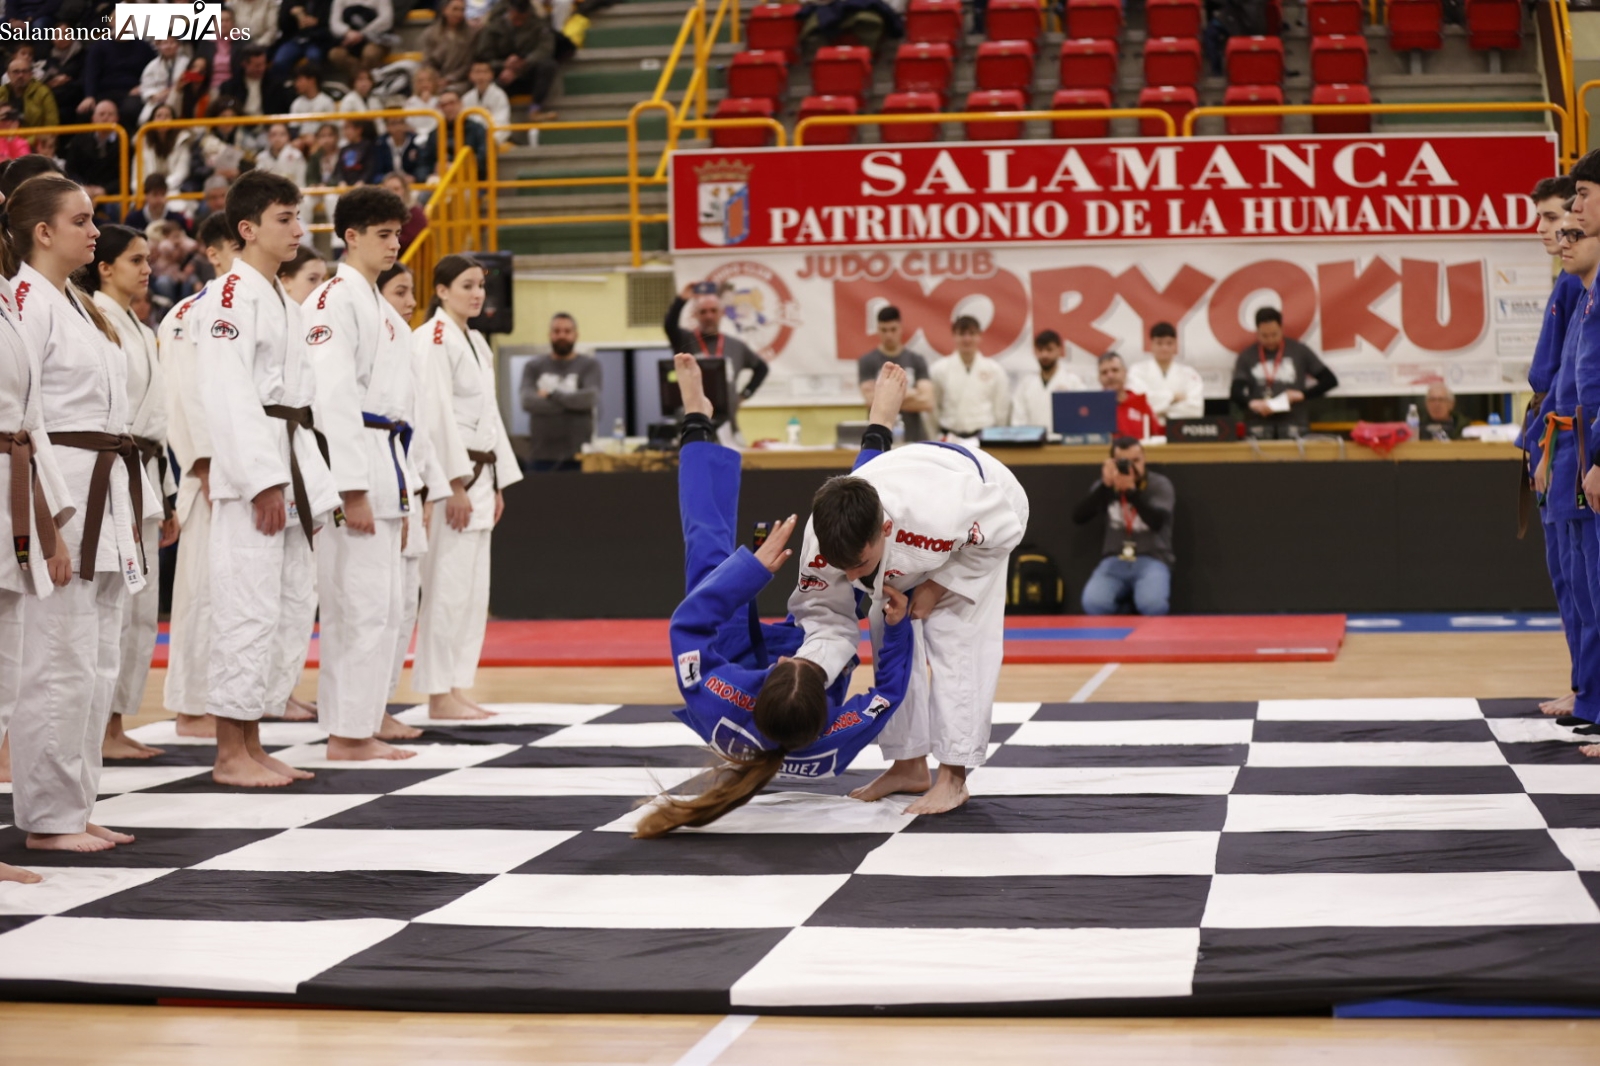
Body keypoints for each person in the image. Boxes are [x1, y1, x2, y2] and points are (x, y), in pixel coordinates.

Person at [635, 357, 916, 837]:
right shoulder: (832, 735)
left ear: (759, 686)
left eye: (782, 665)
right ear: (824, 695)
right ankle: (879, 431)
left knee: (706, 559)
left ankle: (698, 421)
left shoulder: (722, 701)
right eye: (800, 663)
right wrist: (897, 621)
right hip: (823, 629)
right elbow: (887, 693)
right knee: (846, 548)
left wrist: (749, 571)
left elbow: (687, 625)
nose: (787, 655)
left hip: (739, 660)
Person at [8, 173, 161, 851]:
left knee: (96, 662)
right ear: (43, 232)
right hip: (59, 493)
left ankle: (74, 803)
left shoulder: (76, 302)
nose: (95, 231)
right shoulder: (24, 302)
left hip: (106, 484)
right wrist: (45, 522)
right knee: (56, 661)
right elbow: (23, 420)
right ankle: (47, 819)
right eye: (82, 221)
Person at [788, 398, 1031, 816]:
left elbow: (1005, 528)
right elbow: (823, 613)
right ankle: (908, 764)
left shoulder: (941, 511)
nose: (850, 577)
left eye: (858, 565)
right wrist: (806, 672)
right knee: (887, 629)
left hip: (988, 507)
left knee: (955, 635)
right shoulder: (822, 539)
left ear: (885, 530)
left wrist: (937, 586)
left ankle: (954, 778)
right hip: (914, 512)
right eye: (840, 566)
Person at [192, 169, 340, 786]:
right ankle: (229, 752)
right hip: (253, 474)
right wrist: (261, 480)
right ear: (247, 228)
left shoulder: (279, 297)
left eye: (299, 217)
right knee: (244, 608)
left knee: (282, 609)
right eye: (285, 219)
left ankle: (252, 742)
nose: (298, 230)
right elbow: (227, 396)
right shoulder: (228, 296)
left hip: (289, 457)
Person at [302, 185, 444, 760]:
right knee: (355, 606)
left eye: (397, 233)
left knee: (384, 606)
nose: (395, 243)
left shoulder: (378, 307)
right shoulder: (333, 299)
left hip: (387, 460)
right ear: (351, 236)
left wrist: (407, 494)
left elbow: (400, 411)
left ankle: (361, 725)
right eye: (383, 234)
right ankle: (346, 734)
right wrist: (351, 490)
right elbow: (331, 397)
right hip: (355, 464)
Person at [0, 161, 74, 882]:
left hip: (14, 483)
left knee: (5, 668)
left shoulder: (7, 298)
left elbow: (32, 419)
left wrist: (54, 521)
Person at [80, 225, 179, 761]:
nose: (147, 269)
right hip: (114, 470)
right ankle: (99, 726)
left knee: (140, 611)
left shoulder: (139, 326)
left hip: (144, 471)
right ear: (105, 268)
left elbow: (157, 423)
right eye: (135, 260)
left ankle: (115, 722)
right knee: (114, 606)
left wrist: (164, 493)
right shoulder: (94, 317)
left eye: (148, 260)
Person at [412, 254, 522, 719]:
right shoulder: (433, 339)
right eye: (466, 285)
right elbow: (433, 417)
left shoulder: (476, 341)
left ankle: (456, 686)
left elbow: (490, 420)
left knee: (473, 592)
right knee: (445, 588)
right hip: (451, 479)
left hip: (480, 477)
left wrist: (497, 483)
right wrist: (450, 486)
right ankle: (438, 695)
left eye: (480, 285)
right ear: (440, 291)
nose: (477, 294)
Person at [160, 212, 238, 739]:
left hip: (253, 468)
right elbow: (183, 397)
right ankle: (191, 705)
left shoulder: (257, 305)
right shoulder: (188, 312)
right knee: (200, 591)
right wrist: (205, 461)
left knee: (238, 593)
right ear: (212, 252)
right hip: (209, 471)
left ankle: (229, 698)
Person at [1535, 204, 1600, 730]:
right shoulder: (1576, 285)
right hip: (1568, 436)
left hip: (1585, 439)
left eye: (1566, 219)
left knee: (1589, 579)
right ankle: (1588, 689)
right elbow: (1558, 378)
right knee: (1576, 579)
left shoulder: (1585, 287)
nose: (1557, 232)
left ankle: (1592, 694)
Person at [377, 262, 429, 706]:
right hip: (382, 477)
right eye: (400, 292)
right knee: (382, 605)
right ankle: (369, 710)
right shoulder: (382, 343)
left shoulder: (405, 346)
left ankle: (383, 703)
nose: (411, 302)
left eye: (413, 292)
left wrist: (427, 488)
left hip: (408, 478)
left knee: (404, 604)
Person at [1074, 437, 1175, 616]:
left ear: (1144, 459)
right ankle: (1123, 616)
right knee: (1094, 604)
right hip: (1114, 560)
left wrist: (1131, 492)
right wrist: (1105, 487)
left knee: (1153, 606)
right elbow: (1079, 517)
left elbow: (1157, 522)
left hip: (1151, 558)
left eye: (1136, 461)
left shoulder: (1159, 485)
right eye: (1124, 462)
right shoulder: (1106, 487)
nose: (1132, 468)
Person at [663, 280, 767, 440]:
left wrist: (744, 395)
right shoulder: (686, 340)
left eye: (713, 311)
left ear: (721, 313)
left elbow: (762, 368)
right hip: (692, 426)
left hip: (729, 427)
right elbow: (669, 325)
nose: (709, 316)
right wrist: (682, 299)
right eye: (703, 312)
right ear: (696, 315)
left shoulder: (736, 346)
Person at [1231, 307, 1338, 438]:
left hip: (1294, 425)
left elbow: (1330, 380)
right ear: (1257, 332)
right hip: (1259, 426)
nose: (1270, 340)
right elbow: (1236, 392)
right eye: (1264, 335)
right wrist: (1252, 403)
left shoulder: (1299, 351)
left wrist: (1302, 395)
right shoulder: (1247, 356)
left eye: (1274, 334)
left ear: (1281, 329)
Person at [519, 311, 599, 472]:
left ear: (576, 335)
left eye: (567, 331)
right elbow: (527, 401)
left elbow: (590, 399)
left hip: (579, 458)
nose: (562, 335)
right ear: (550, 335)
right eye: (557, 331)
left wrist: (550, 394)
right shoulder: (534, 366)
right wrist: (572, 404)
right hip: (541, 457)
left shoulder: (589, 365)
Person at [857, 304, 933, 441]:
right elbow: (870, 400)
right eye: (884, 330)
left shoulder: (916, 360)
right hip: (880, 438)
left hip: (914, 437)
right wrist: (913, 393)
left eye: (893, 329)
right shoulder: (867, 361)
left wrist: (885, 396)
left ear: (901, 329)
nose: (889, 335)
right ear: (878, 330)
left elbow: (927, 402)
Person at [475, 0, 560, 122]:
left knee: (548, 65)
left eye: (522, 19)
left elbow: (545, 49)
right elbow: (483, 57)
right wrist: (503, 65)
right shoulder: (494, 26)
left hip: (528, 70)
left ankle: (535, 109)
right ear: (509, 12)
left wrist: (521, 65)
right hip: (501, 74)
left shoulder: (539, 24)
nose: (519, 23)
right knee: (486, 79)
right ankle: (489, 120)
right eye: (515, 19)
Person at [929, 314, 1010, 437]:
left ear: (979, 336)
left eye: (972, 334)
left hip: (984, 436)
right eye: (962, 334)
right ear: (954, 336)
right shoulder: (939, 369)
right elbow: (933, 409)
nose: (967, 339)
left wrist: (995, 436)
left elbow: (1001, 410)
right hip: (950, 436)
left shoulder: (995, 370)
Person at [1128, 321, 1205, 422]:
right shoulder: (1137, 371)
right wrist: (1173, 397)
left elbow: (1196, 409)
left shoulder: (1189, 374)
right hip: (1147, 429)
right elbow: (1139, 404)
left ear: (1175, 345)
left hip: (1179, 429)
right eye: (1159, 343)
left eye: (1169, 343)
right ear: (1151, 344)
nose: (1164, 348)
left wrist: (1160, 411)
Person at [1009, 328, 1086, 428]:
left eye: (1049, 349)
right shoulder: (1026, 384)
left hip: (1063, 440)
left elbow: (1082, 415)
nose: (1044, 355)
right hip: (1033, 440)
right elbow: (1018, 418)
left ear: (1059, 350)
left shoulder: (1073, 382)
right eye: (1040, 350)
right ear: (1035, 351)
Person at [416, 88, 490, 181]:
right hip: (440, 182)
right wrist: (429, 174)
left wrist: (456, 167)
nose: (448, 108)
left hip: (471, 183)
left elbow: (483, 158)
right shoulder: (435, 134)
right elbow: (423, 164)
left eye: (452, 103)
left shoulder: (477, 129)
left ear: (461, 104)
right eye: (444, 105)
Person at [63, 100, 122, 205]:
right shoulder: (79, 141)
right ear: (93, 118)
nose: (105, 118)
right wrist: (83, 186)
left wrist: (105, 190)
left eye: (110, 114)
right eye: (101, 114)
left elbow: (126, 176)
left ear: (117, 119)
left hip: (113, 194)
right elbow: (70, 171)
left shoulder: (124, 142)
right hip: (83, 191)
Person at [1095, 351, 1159, 440]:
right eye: (1104, 372)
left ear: (1125, 372)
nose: (1110, 375)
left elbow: (1158, 437)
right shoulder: (1093, 408)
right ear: (1098, 378)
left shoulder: (1141, 404)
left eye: (1115, 370)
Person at [220, 46, 294, 119]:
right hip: (240, 125)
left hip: (268, 124)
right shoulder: (230, 86)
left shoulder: (276, 84)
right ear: (245, 64)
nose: (262, 68)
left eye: (264, 64)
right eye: (257, 66)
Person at [328, 0, 394, 83]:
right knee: (335, 54)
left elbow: (386, 20)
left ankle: (364, 83)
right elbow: (334, 23)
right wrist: (347, 32)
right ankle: (361, 82)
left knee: (370, 53)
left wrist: (363, 33)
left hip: (375, 39)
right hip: (349, 40)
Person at [423, 0, 479, 91]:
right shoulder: (430, 34)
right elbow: (428, 62)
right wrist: (435, 79)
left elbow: (468, 64)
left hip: (461, 81)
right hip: (435, 80)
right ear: (444, 10)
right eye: (455, 9)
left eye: (462, 10)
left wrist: (449, 79)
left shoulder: (471, 35)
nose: (459, 14)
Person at [0, 52, 58, 129]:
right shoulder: (1, 92)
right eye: (16, 72)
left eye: (24, 71)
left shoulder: (43, 92)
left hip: (35, 138)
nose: (20, 75)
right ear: (8, 74)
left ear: (31, 74)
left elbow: (52, 124)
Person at [462, 59, 512, 145]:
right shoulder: (466, 98)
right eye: (477, 72)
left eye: (484, 72)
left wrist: (490, 141)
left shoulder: (499, 96)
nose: (481, 76)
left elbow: (502, 122)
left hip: (495, 139)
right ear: (470, 75)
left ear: (491, 75)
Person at [125, 174, 192, 235]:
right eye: (155, 195)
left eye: (163, 194)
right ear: (146, 196)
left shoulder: (178, 220)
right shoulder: (133, 220)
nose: (160, 200)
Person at [289, 63, 336, 139]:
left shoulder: (326, 102)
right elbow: (294, 129)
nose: (296, 84)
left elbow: (331, 128)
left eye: (299, 80)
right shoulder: (296, 103)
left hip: (322, 140)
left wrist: (315, 138)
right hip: (302, 140)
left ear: (312, 81)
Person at [258, 123, 310, 189]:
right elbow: (260, 182)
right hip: (269, 194)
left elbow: (301, 182)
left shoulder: (297, 156)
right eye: (273, 135)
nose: (277, 138)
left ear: (288, 137)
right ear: (268, 137)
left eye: (282, 134)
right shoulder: (261, 157)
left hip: (292, 193)